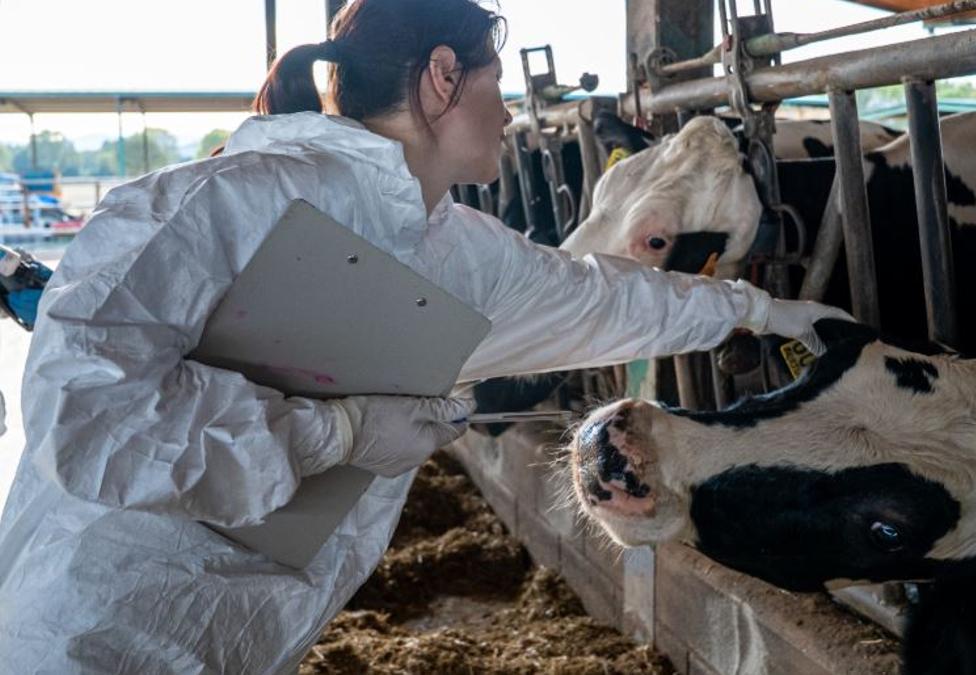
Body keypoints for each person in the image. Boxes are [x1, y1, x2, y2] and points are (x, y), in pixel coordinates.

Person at [0, 1, 851, 672]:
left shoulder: (454, 249)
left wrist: (762, 312)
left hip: (248, 632)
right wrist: (343, 430)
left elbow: (601, 297)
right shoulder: (216, 202)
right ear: (443, 77)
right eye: (498, 84)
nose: (513, 115)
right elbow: (90, 420)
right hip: (88, 621)